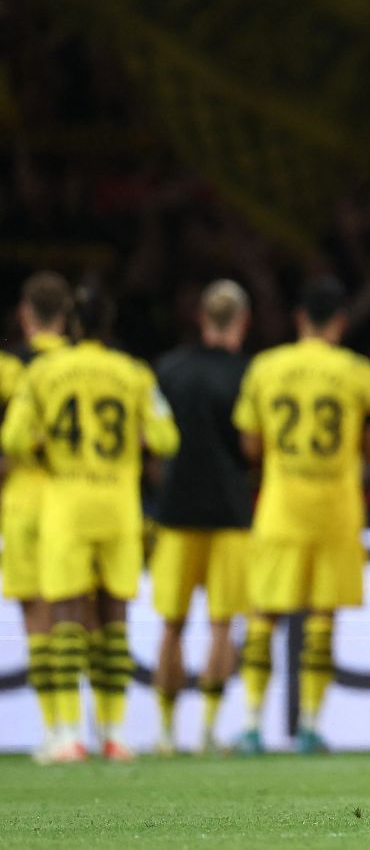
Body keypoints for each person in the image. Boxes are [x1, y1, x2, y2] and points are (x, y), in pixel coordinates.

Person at [1, 285, 180, 763]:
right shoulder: (134, 373)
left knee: (63, 615)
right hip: (119, 504)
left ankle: (66, 735)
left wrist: (44, 440)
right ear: (110, 324)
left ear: (73, 324)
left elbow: (14, 437)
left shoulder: (43, 372)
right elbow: (166, 437)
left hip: (66, 503)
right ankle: (114, 733)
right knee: (114, 617)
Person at [231, 277, 370, 754]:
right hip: (337, 510)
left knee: (264, 615)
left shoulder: (265, 367)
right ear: (339, 322)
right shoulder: (359, 372)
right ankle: (311, 727)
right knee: (322, 619)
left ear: (300, 318)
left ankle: (253, 725)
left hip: (281, 507)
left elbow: (250, 444)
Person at [150, 280, 254, 755]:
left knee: (171, 624)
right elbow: (253, 446)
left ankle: (167, 733)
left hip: (174, 511)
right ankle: (208, 731)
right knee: (221, 625)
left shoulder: (168, 369)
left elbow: (150, 441)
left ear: (201, 317)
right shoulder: (248, 375)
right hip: (229, 512)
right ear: (242, 322)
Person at [0, 271, 71, 763]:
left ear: (25, 316)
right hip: (74, 495)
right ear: (65, 318)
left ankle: (56, 728)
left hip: (24, 496)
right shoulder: (81, 366)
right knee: (74, 610)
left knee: (36, 614)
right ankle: (92, 727)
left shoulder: (6, 368)